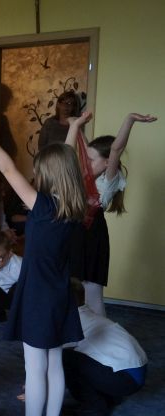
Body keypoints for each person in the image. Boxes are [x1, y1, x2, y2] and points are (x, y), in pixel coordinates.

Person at [0, 104, 85, 416]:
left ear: (48, 174)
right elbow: (67, 160)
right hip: (60, 294)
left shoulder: (43, 206)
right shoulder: (73, 207)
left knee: (35, 367)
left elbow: (7, 167)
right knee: (54, 362)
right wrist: (74, 128)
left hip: (37, 296)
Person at [65, 110, 157, 316]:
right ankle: (75, 330)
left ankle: (101, 332)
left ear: (107, 162)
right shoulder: (85, 177)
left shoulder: (108, 180)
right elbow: (82, 147)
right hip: (74, 233)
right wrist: (76, 125)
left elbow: (116, 148)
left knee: (92, 293)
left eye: (91, 160)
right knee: (71, 288)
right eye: (85, 158)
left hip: (92, 236)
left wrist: (130, 119)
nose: (85, 162)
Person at [63, 280, 148, 416]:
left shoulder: (72, 322)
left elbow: (50, 357)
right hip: (136, 373)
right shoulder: (87, 314)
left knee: (63, 358)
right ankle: (109, 396)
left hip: (126, 379)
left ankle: (95, 406)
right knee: (78, 356)